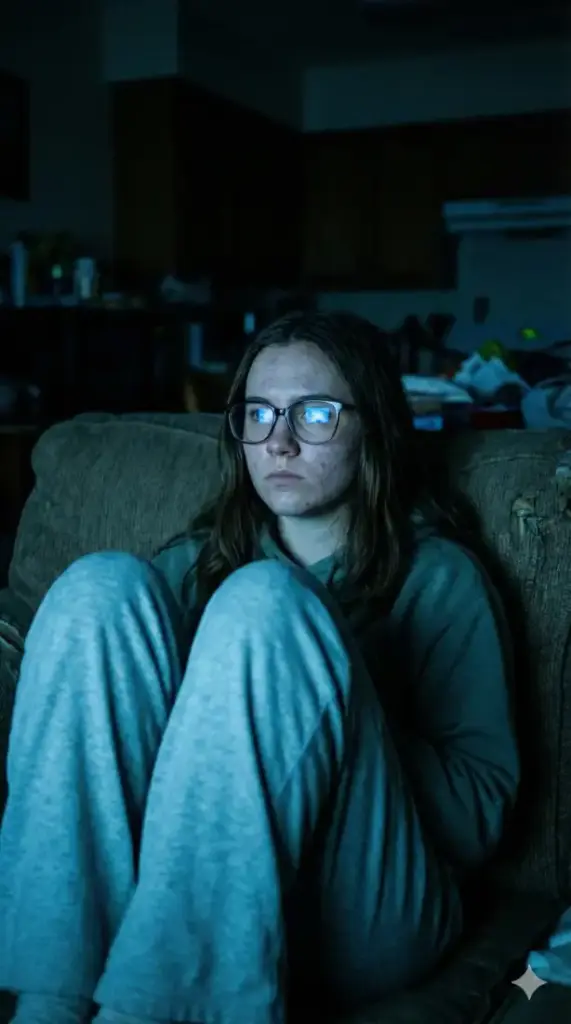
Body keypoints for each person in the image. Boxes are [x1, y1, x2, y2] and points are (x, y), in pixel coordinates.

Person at [0, 312, 520, 1024]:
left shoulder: (439, 578)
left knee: (267, 604)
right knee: (98, 586)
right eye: (258, 413)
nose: (278, 440)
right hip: (207, 891)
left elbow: (478, 821)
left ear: (372, 427)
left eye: (313, 413)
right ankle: (51, 1002)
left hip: (370, 906)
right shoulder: (192, 566)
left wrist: (337, 701)